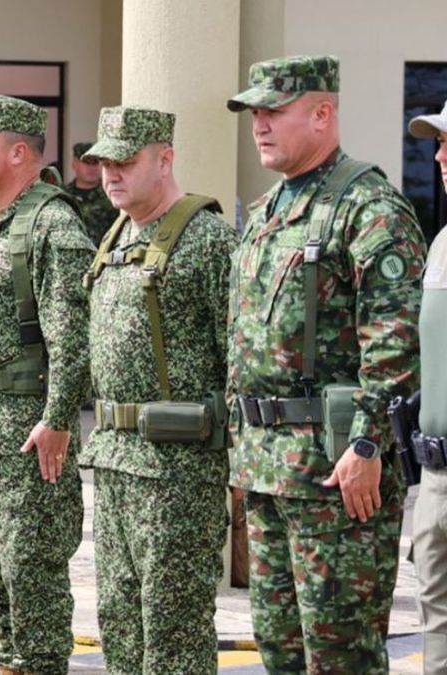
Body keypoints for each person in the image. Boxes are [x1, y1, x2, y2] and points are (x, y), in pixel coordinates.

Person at [226, 55, 425, 673]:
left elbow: (395, 339)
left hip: (335, 472)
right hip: (265, 465)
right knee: (281, 649)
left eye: (273, 111)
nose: (259, 124)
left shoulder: (369, 207)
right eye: (254, 113)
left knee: (341, 656)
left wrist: (368, 445)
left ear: (322, 113)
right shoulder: (264, 212)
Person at [79, 106, 238, 673]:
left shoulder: (209, 241)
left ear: (165, 158)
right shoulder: (118, 236)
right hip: (116, 459)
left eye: (125, 161)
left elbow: (239, 357)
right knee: (120, 620)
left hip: (177, 471)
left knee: (172, 628)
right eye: (103, 163)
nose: (111, 174)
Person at [0, 94, 92, 675]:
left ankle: (38, 665)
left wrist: (57, 420)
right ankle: (10, 662)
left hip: (26, 430)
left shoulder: (53, 223)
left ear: (20, 152)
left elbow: (72, 337)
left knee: (30, 570)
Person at [408, 99, 447, 672]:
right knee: (434, 618)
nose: (439, 155)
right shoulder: (441, 244)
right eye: (438, 144)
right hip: (436, 476)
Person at [63, 141, 119, 245]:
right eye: (86, 162)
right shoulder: (62, 195)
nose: (91, 168)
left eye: (95, 163)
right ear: (74, 164)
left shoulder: (113, 195)